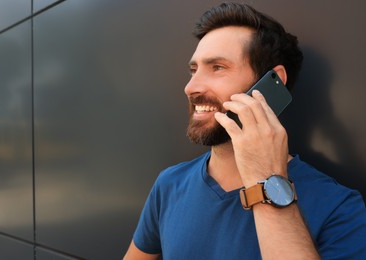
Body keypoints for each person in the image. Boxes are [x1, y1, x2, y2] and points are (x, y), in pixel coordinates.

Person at [124, 3, 366, 259]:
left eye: (217, 67)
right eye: (193, 70)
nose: (190, 87)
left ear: (272, 83)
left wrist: (267, 181)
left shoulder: (339, 208)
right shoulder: (170, 184)